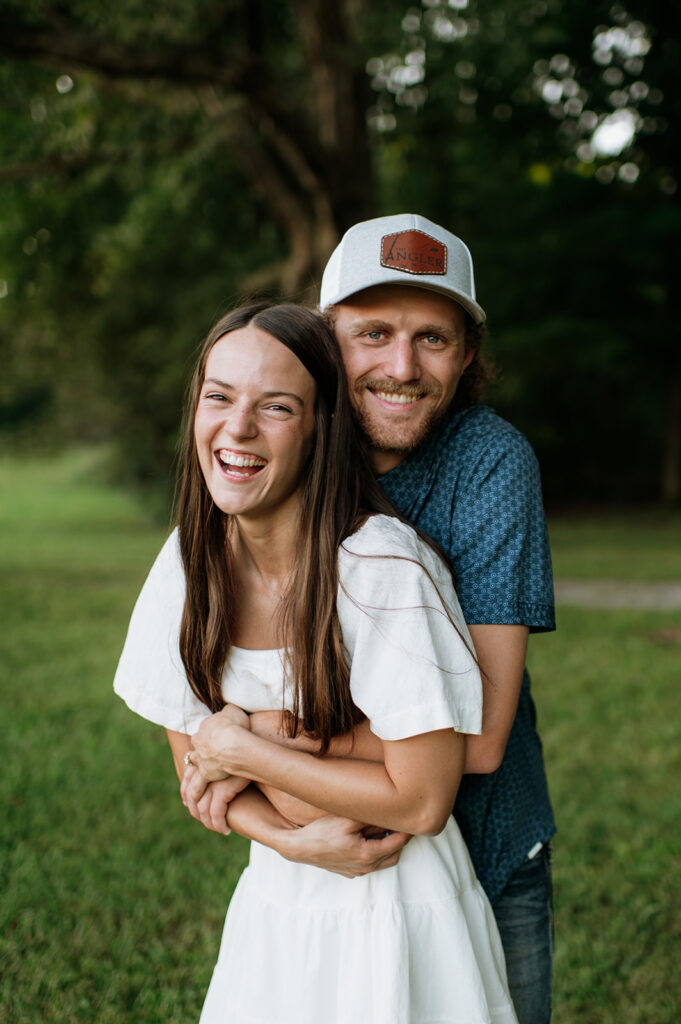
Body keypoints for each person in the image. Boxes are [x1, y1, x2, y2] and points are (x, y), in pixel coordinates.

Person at [177, 216, 557, 1024]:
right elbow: (187, 726)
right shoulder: (282, 450)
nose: (401, 366)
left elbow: (478, 738)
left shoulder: (487, 462)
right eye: (372, 333)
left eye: (433, 339)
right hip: (320, 856)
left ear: (465, 356)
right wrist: (279, 830)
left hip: (482, 845)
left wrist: (256, 738)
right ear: (323, 343)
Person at [114, 302, 519, 1023]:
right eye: (219, 397)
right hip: (278, 894)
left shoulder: (381, 572)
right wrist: (289, 841)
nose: (237, 428)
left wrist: (244, 743)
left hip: (396, 902)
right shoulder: (187, 561)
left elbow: (422, 800)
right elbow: (195, 773)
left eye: (275, 407)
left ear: (321, 428)